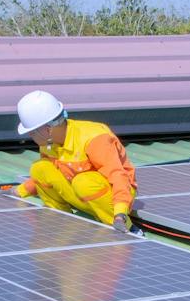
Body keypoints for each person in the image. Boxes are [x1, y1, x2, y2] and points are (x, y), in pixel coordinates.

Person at [11, 90, 138, 232]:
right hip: (82, 195)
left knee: (83, 182)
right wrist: (19, 191)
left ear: (47, 130)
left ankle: (128, 230)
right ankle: (62, 220)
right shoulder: (48, 144)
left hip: (115, 199)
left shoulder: (94, 138)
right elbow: (46, 176)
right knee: (40, 168)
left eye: (32, 133)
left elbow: (118, 177)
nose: (30, 136)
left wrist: (120, 214)